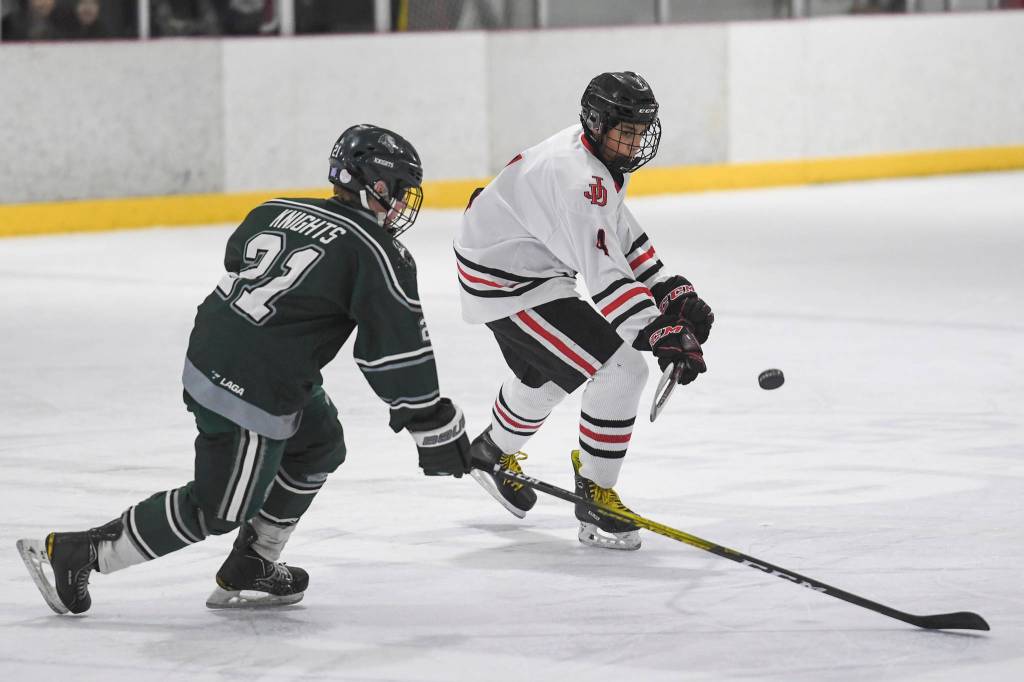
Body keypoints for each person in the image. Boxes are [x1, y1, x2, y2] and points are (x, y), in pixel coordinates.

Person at [17, 124, 472, 614]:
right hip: (254, 388)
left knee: (319, 443)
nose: (403, 202)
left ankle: (254, 563)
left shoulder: (275, 209)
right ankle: (80, 552)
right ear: (376, 185)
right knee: (220, 509)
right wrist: (431, 424)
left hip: (216, 350)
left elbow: (242, 263)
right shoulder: (380, 253)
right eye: (400, 189)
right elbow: (392, 353)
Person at [456, 72, 713, 551]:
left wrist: (669, 291)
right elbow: (607, 280)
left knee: (557, 370)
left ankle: (488, 453)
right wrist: (658, 332)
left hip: (515, 263)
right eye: (626, 130)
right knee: (621, 369)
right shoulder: (578, 178)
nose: (635, 141)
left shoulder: (595, 155)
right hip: (508, 282)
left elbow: (618, 233)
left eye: (641, 130)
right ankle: (596, 497)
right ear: (597, 122)